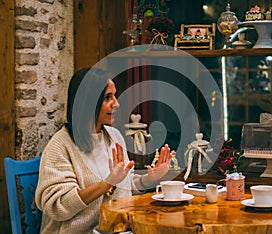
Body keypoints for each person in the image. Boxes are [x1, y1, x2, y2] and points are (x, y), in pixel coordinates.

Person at [35, 67, 172, 233]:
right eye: (108, 97)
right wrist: (107, 183)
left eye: (115, 96)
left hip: (115, 229)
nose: (117, 103)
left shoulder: (113, 136)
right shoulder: (61, 145)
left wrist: (149, 180)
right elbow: (58, 206)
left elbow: (124, 183)